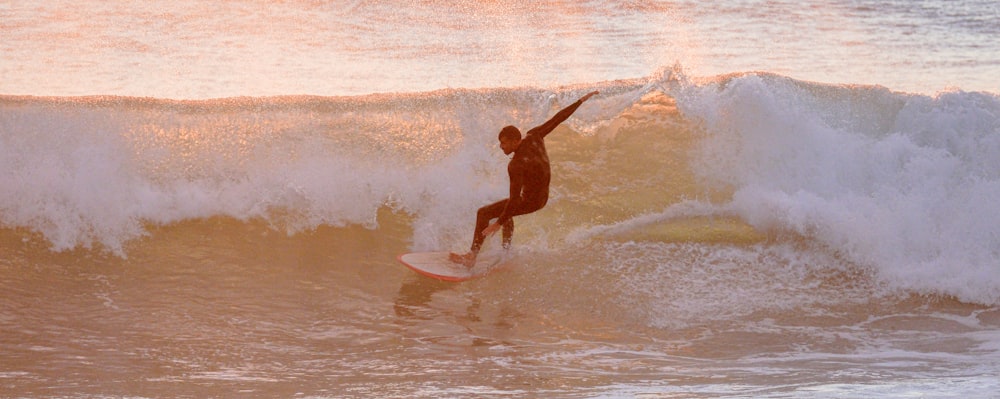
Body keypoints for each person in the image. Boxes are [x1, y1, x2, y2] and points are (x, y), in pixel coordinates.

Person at [450, 91, 599, 267]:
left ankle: (471, 257)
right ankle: (506, 252)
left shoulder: (516, 165)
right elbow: (558, 118)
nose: (501, 147)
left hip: (531, 201)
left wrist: (497, 223)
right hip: (542, 197)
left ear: (515, 141)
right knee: (507, 211)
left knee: (484, 213)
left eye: (504, 143)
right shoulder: (535, 136)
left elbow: (514, 200)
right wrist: (580, 100)